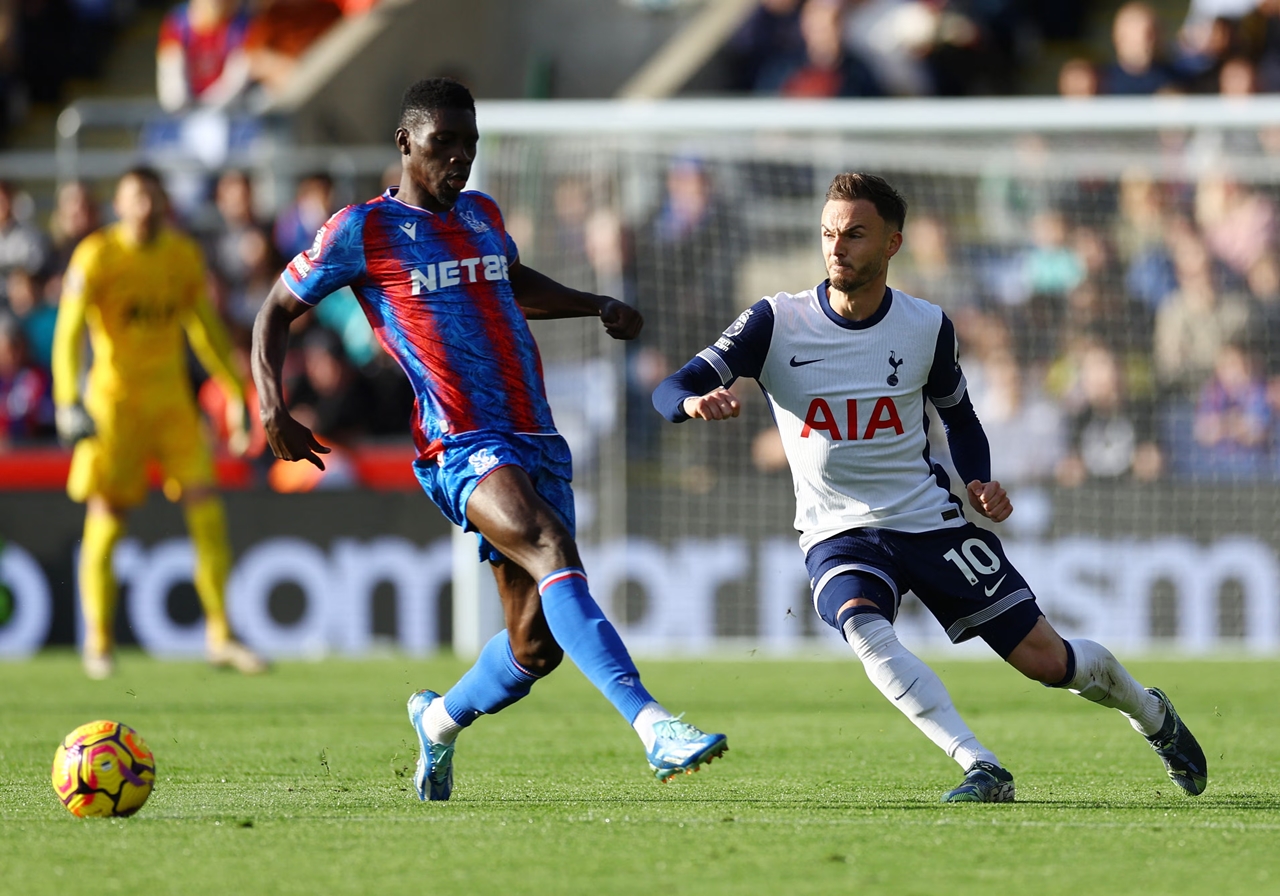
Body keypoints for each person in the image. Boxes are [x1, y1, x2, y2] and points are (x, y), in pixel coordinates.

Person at [652, 172, 1206, 802]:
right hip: (837, 531)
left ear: (892, 244)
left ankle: (1151, 713)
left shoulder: (926, 326)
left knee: (1050, 663)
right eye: (829, 233)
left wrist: (978, 480)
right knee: (863, 628)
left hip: (929, 519)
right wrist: (694, 403)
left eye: (856, 234)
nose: (838, 247)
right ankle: (981, 766)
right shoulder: (775, 321)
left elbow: (960, 416)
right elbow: (669, 386)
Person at [251, 78, 728, 802]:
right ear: (405, 144)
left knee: (533, 649)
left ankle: (437, 722)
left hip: (533, 431)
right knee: (549, 546)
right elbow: (275, 311)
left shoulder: (480, 214)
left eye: (469, 144)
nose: (460, 159)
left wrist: (591, 303)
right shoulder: (363, 231)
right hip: (459, 440)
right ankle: (653, 725)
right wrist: (270, 407)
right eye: (445, 144)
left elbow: (507, 280)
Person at [51, 167, 266, 680]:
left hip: (171, 404)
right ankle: (99, 642)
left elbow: (205, 328)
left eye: (152, 197)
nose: (145, 207)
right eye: (135, 198)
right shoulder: (97, 256)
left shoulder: (181, 255)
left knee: (207, 513)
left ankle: (221, 635)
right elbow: (68, 332)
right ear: (119, 205)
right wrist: (66, 400)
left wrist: (236, 391)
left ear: (164, 203)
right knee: (106, 518)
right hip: (113, 406)